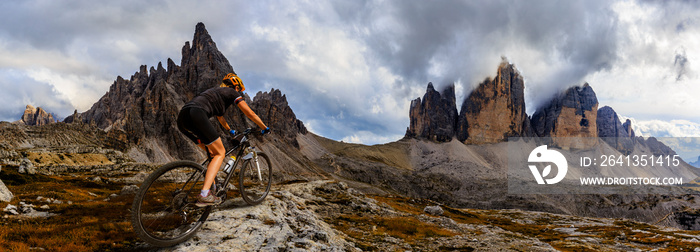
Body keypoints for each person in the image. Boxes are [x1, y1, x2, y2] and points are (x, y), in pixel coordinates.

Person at [177, 73, 270, 207]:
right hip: (197, 113)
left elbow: (220, 118)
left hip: (183, 119)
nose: (238, 92)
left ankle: (211, 189)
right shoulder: (232, 92)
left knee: (212, 154)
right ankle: (204, 195)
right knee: (221, 153)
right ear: (235, 86)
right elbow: (250, 113)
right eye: (238, 89)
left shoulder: (215, 94)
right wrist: (264, 127)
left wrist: (229, 130)